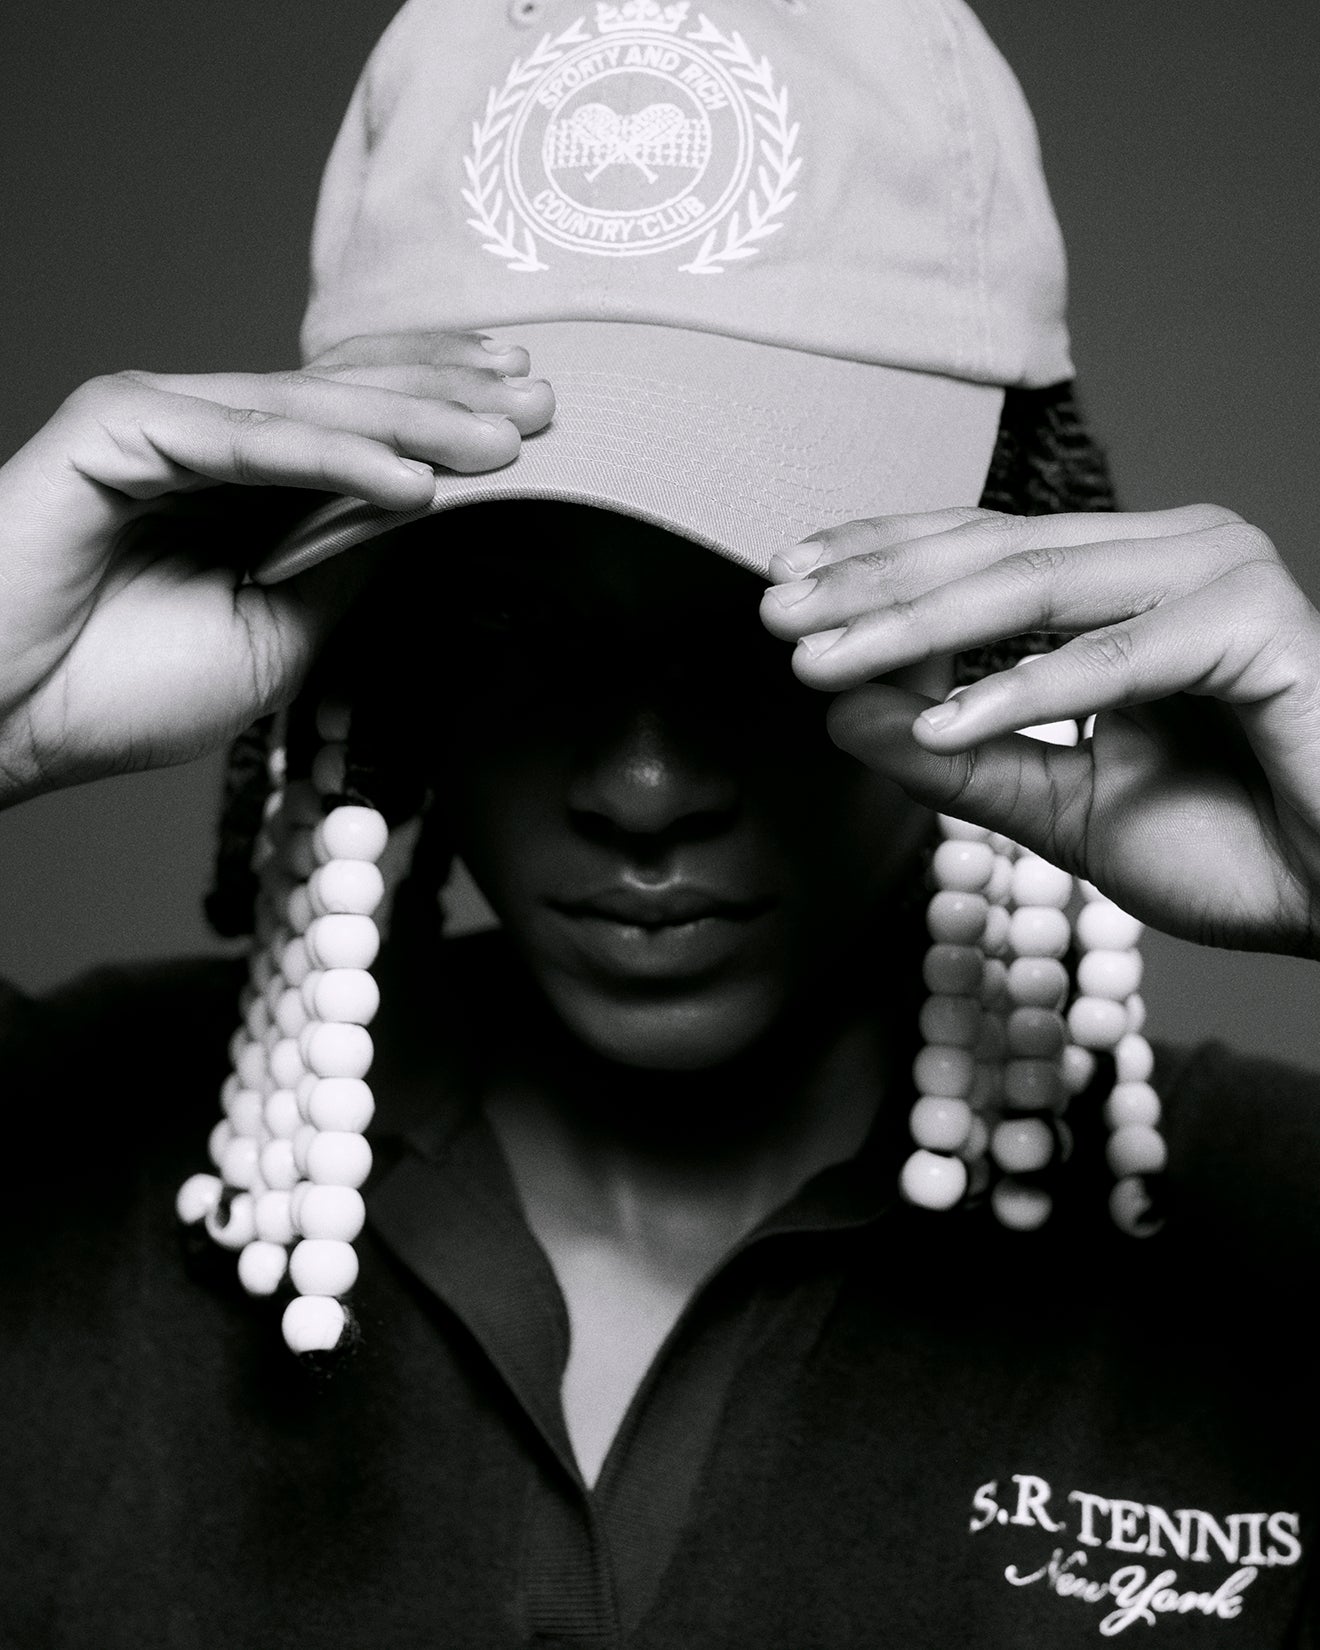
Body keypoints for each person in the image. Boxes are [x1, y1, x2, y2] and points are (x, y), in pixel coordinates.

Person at [3, 0, 1320, 1645]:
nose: (642, 788)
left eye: (778, 622)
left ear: (1012, 580)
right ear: (379, 633)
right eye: (509, 622)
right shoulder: (47, 1151)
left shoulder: (1282, 1230)